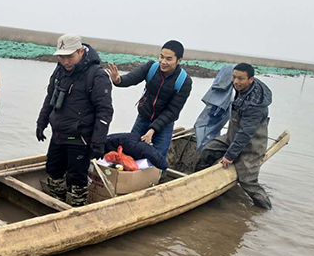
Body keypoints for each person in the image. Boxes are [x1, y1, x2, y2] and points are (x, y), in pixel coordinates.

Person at [36, 34, 113, 207]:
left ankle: (77, 208)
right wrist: (41, 122)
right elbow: (50, 97)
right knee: (53, 171)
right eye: (62, 57)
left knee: (77, 178)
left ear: (80, 51)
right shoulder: (59, 71)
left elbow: (105, 111)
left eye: (70, 56)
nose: (66, 61)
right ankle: (57, 204)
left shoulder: (97, 76)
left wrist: (98, 142)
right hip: (59, 134)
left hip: (81, 137)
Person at [195, 63, 273, 209]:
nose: (236, 82)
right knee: (208, 150)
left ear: (251, 80)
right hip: (232, 135)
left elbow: (245, 134)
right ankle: (198, 182)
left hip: (252, 142)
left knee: (247, 181)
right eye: (234, 77)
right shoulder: (238, 87)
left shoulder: (255, 104)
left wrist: (229, 156)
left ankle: (266, 208)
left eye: (241, 79)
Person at [106, 40, 192, 160]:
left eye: (168, 59)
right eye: (161, 57)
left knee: (157, 159)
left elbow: (172, 111)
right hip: (143, 118)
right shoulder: (152, 67)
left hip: (164, 125)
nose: (163, 62)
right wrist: (118, 80)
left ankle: (157, 177)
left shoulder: (184, 81)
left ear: (179, 61)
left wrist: (152, 130)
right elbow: (132, 78)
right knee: (129, 153)